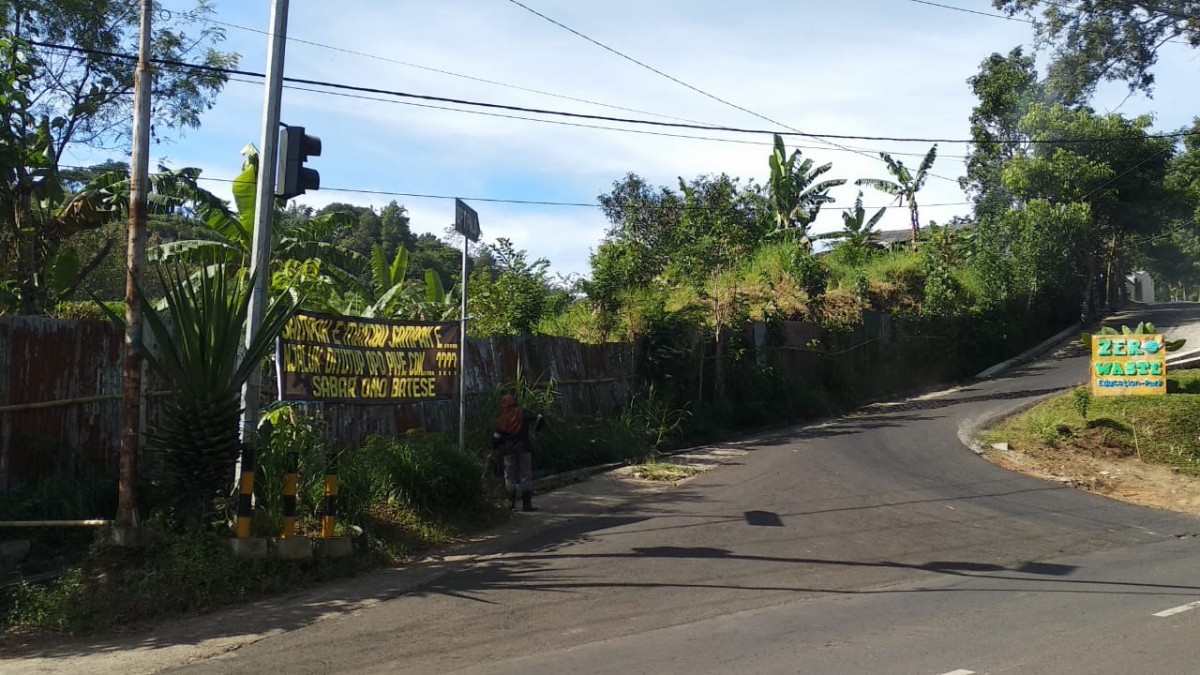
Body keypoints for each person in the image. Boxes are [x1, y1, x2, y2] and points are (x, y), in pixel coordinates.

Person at [492, 394, 543, 511]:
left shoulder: (502, 419)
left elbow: (496, 438)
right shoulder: (523, 413)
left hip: (509, 451)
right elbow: (540, 417)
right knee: (525, 475)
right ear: (514, 403)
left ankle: (511, 505)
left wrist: (494, 449)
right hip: (524, 449)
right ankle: (526, 505)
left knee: (510, 477)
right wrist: (536, 431)